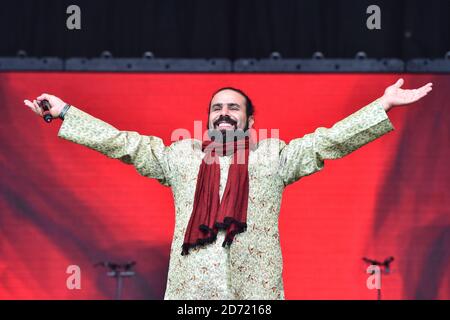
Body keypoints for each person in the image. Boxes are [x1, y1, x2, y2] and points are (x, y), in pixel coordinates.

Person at [24, 78, 432, 299]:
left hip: (255, 290)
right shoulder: (180, 155)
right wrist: (64, 113)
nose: (223, 113)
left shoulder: (274, 155)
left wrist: (382, 106)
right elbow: (123, 143)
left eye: (232, 107)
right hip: (192, 291)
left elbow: (328, 141)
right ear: (208, 119)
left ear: (250, 121)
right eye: (216, 108)